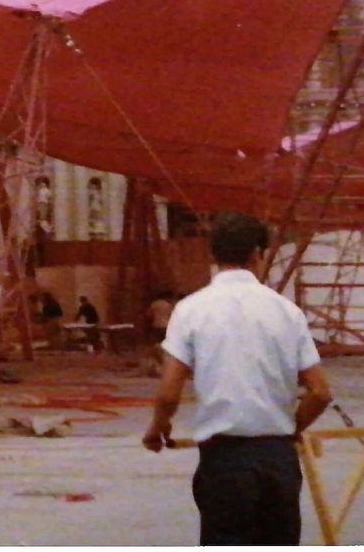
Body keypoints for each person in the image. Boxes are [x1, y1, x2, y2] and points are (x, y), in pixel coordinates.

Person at [142, 212, 331, 546]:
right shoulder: (287, 312)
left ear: (213, 255)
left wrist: (157, 428)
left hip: (224, 459)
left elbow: (169, 393)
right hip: (277, 458)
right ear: (258, 254)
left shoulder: (191, 310)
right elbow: (319, 392)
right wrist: (288, 428)